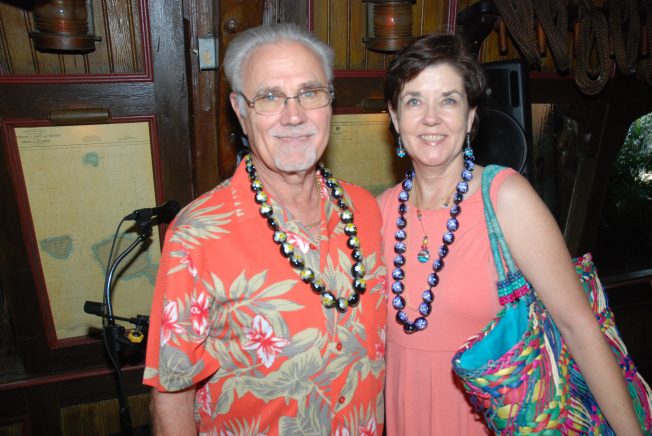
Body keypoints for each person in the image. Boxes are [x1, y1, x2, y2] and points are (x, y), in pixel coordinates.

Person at [378, 32, 643, 435]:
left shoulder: (505, 198)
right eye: (414, 101)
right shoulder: (379, 211)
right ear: (396, 117)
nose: (431, 118)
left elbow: (578, 327)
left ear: (470, 116)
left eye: (448, 100)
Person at [144, 23, 387, 435]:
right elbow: (172, 393)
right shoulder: (197, 235)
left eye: (310, 93)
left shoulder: (366, 209)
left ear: (330, 102)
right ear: (241, 111)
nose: (294, 116)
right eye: (270, 97)